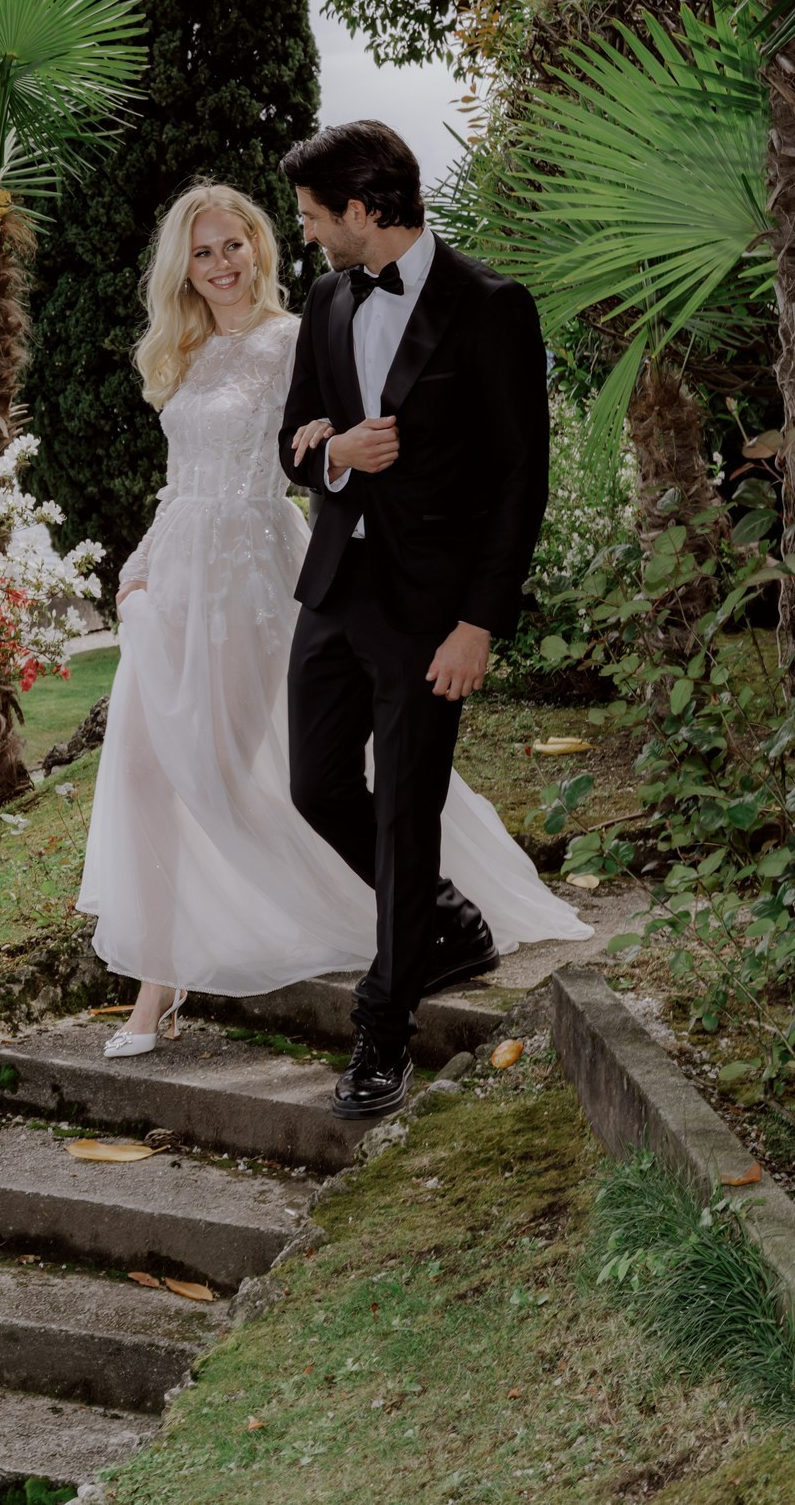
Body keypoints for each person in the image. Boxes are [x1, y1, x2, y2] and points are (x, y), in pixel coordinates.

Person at [77, 177, 585, 1084]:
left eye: (236, 244)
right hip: (174, 579)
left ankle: (413, 905)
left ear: (262, 249)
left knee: (247, 770)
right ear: (181, 269)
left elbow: (327, 436)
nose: (222, 263)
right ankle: (159, 980)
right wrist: (139, 564)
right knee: (149, 774)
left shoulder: (296, 333)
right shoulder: (179, 350)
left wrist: (334, 449)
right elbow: (181, 478)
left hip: (260, 576)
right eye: (203, 251)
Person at [276, 120, 555, 1120]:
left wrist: (478, 623)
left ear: (361, 210)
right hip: (334, 592)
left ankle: (383, 1031)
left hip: (431, 613)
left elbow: (521, 481)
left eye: (313, 217)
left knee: (404, 808)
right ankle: (442, 921)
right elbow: (296, 446)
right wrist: (335, 452)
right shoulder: (325, 298)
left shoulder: (490, 308)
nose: (305, 234)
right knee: (314, 785)